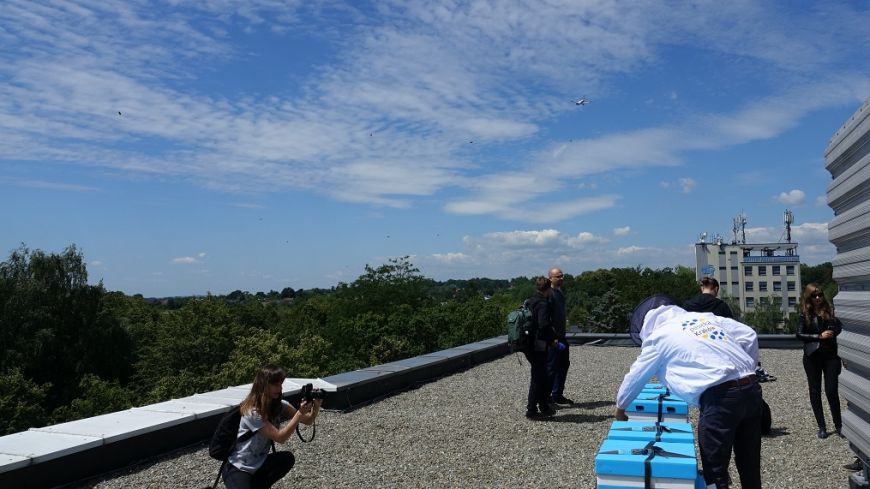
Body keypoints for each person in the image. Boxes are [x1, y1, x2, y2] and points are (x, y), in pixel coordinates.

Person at [615, 298, 762, 489]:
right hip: (752, 391)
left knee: (716, 473)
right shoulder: (705, 318)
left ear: (646, 326)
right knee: (750, 465)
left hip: (720, 399)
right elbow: (749, 335)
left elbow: (635, 377)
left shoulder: (659, 337)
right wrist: (744, 371)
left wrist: (620, 408)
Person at [223, 365, 321, 489]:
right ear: (263, 385)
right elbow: (280, 438)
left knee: (286, 459)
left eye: (281, 384)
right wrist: (299, 413)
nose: (279, 388)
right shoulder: (252, 411)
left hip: (259, 464)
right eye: (275, 385)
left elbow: (308, 421)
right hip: (238, 467)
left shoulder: (280, 405)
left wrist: (316, 406)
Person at [796, 283, 842, 439]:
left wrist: (833, 329)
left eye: (820, 295)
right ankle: (822, 426)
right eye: (814, 296)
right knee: (815, 392)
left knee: (831, 391)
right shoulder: (805, 313)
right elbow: (799, 334)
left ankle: (839, 425)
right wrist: (818, 336)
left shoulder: (830, 310)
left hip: (831, 357)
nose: (818, 298)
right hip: (812, 357)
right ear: (809, 297)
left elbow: (839, 328)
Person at [524, 276, 559, 419]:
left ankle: (543, 406)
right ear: (548, 288)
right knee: (538, 378)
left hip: (527, 344)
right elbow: (544, 325)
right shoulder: (543, 304)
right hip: (537, 346)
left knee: (542, 376)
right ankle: (531, 411)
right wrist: (552, 340)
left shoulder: (530, 301)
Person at [547, 267, 574, 405]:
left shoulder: (560, 293)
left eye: (562, 276)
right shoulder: (549, 294)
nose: (561, 278)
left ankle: (557, 394)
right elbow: (546, 319)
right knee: (551, 368)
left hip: (562, 336)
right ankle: (548, 398)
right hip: (553, 339)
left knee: (563, 365)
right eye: (558, 276)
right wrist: (552, 338)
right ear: (550, 278)